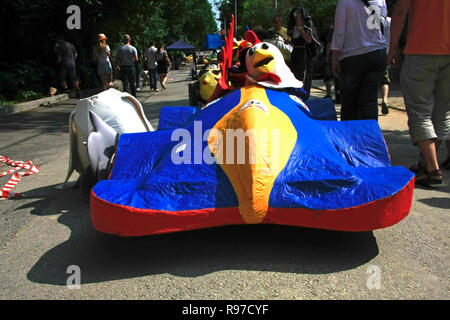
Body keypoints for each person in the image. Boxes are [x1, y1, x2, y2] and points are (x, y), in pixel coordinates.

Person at [388, 0, 450, 185]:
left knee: (420, 112)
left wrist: (393, 47)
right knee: (443, 112)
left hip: (420, 50)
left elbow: (400, 11)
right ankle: (426, 162)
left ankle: (432, 169)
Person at [331, 0, 387, 121]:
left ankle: (350, 137)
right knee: (369, 101)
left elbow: (339, 31)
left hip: (352, 56)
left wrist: (335, 57)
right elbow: (383, 23)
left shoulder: (345, 2)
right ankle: (369, 137)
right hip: (377, 53)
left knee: (349, 103)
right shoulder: (379, 0)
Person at [287, 6, 321, 95]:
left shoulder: (307, 24)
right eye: (295, 13)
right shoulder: (293, 26)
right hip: (295, 53)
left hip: (305, 53)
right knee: (294, 73)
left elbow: (309, 40)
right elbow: (295, 42)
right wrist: (289, 42)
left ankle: (303, 95)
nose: (297, 15)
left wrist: (301, 29)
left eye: (299, 13)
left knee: (304, 75)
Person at [379, 16, 392, 115]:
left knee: (371, 80)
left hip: (370, 52)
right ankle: (384, 100)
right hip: (385, 53)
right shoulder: (389, 21)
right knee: (384, 80)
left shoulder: (367, 18)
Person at [320, 16, 334, 99]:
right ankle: (339, 94)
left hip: (329, 56)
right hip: (338, 56)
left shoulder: (329, 32)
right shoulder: (337, 30)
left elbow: (329, 44)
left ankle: (329, 94)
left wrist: (327, 57)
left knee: (328, 76)